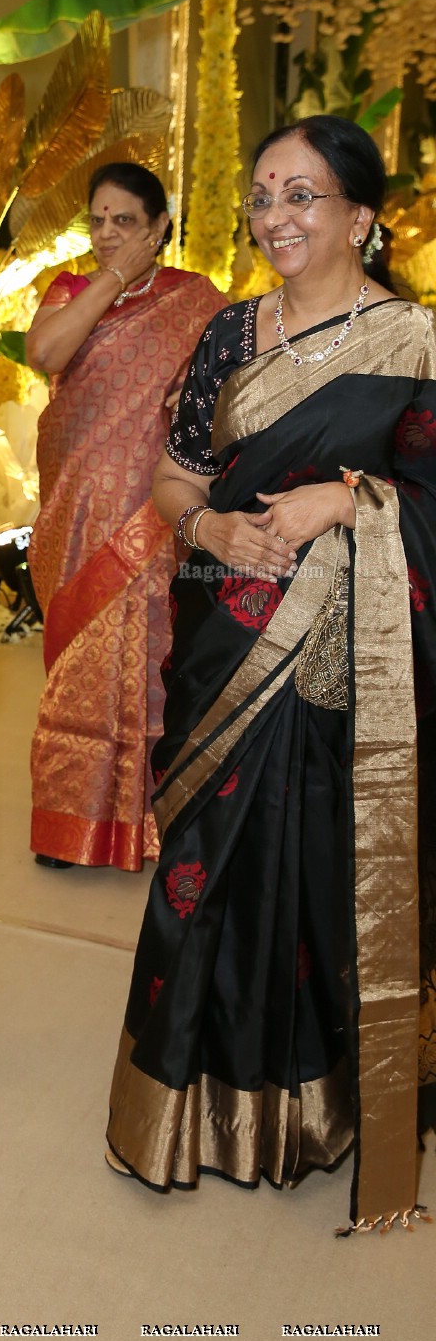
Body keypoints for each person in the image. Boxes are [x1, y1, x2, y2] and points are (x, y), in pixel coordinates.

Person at [105, 115, 436, 1235]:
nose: (277, 218)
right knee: (203, 859)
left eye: (303, 195)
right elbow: (170, 480)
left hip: (354, 665)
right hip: (225, 642)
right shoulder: (228, 335)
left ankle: (319, 1107)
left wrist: (352, 501)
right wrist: (215, 534)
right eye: (261, 196)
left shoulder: (414, 342)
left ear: (360, 215)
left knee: (325, 868)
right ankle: (185, 1106)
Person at [24, 164, 227, 872]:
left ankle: (151, 822)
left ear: (160, 226)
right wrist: (114, 277)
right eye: (98, 221)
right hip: (74, 512)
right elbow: (45, 352)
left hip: (153, 509)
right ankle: (71, 826)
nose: (108, 234)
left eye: (126, 223)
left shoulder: (197, 301)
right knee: (78, 661)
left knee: (149, 661)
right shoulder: (71, 291)